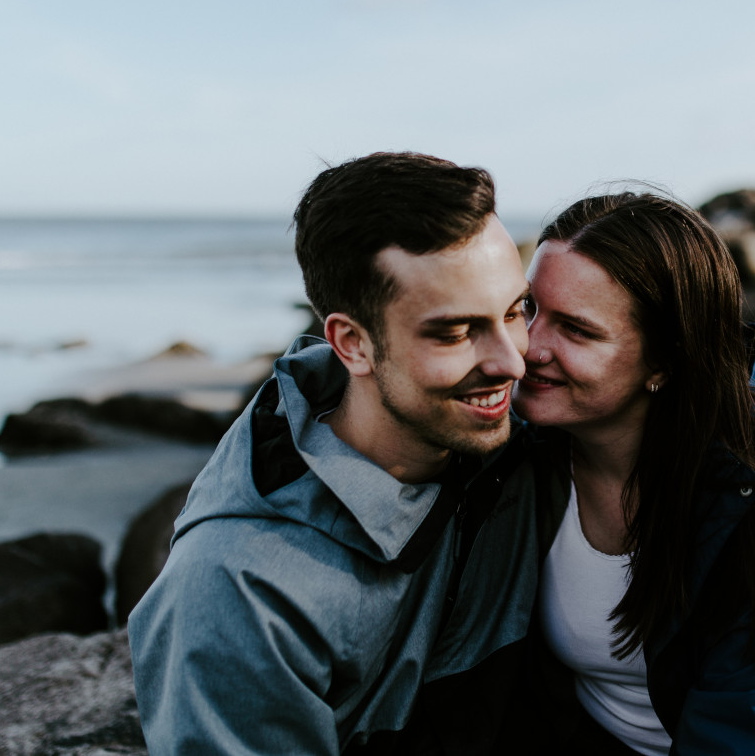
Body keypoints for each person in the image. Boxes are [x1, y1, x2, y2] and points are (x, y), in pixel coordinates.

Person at [128, 152, 543, 755]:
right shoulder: (238, 593)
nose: (512, 361)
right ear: (352, 344)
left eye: (516, 311)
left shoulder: (521, 440)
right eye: (455, 333)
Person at [511, 192, 755, 755]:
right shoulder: (513, 452)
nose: (527, 347)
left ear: (664, 361)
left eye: (577, 330)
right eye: (527, 310)